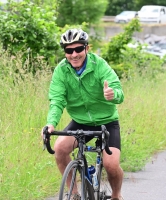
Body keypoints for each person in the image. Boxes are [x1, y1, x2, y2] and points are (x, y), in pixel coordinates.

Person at [43, 28, 124, 200]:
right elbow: (57, 100)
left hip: (106, 121)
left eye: (78, 49)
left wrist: (113, 95)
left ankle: (116, 195)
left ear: (87, 48)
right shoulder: (61, 71)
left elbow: (119, 92)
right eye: (69, 50)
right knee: (60, 148)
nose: (74, 54)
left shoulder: (99, 65)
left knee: (111, 165)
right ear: (65, 52)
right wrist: (51, 124)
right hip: (80, 121)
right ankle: (73, 194)